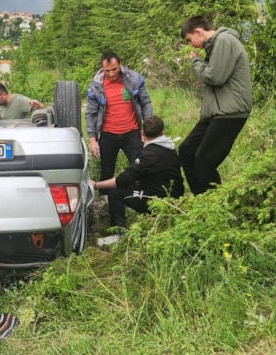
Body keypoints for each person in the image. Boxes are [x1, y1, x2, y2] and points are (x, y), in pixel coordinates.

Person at [179, 15, 252, 195]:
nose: (191, 45)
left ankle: (215, 205)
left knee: (204, 161)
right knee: (186, 150)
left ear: (198, 31)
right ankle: (201, 200)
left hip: (230, 112)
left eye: (190, 40)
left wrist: (195, 62)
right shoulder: (215, 45)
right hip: (216, 113)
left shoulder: (224, 41)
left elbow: (215, 77)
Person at [91, 116, 184, 245]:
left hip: (158, 202)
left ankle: (119, 233)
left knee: (115, 191)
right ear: (162, 133)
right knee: (135, 181)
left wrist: (96, 185)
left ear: (142, 134)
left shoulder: (147, 156)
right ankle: (130, 208)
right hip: (176, 198)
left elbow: (121, 180)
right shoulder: (170, 148)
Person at [85, 50, 153, 227]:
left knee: (140, 169)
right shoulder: (96, 86)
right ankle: (105, 212)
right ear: (102, 69)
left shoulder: (133, 79)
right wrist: (92, 139)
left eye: (114, 69)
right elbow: (91, 114)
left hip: (132, 132)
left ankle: (144, 208)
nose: (111, 74)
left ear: (120, 65)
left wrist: (147, 129)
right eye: (107, 71)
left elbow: (145, 102)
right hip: (108, 134)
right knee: (106, 173)